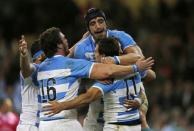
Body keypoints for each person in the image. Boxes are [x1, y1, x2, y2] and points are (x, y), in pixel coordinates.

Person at [36, 27, 153, 131]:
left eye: (95, 53)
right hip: (133, 124)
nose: (93, 56)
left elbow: (88, 97)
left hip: (114, 125)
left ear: (102, 56)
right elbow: (151, 76)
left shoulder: (109, 79)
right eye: (64, 39)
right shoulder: (134, 73)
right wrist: (137, 68)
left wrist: (62, 105)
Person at [70, 8, 155, 131]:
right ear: (88, 29)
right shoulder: (82, 48)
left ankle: (142, 121)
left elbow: (139, 57)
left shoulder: (120, 36)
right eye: (92, 23)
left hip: (122, 87)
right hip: (99, 92)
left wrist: (114, 60)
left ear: (106, 23)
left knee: (149, 75)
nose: (98, 26)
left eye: (100, 21)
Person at [17, 37, 45, 131]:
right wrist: (24, 55)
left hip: (41, 126)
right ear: (40, 56)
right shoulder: (34, 69)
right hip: (28, 126)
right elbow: (26, 70)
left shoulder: (49, 73)